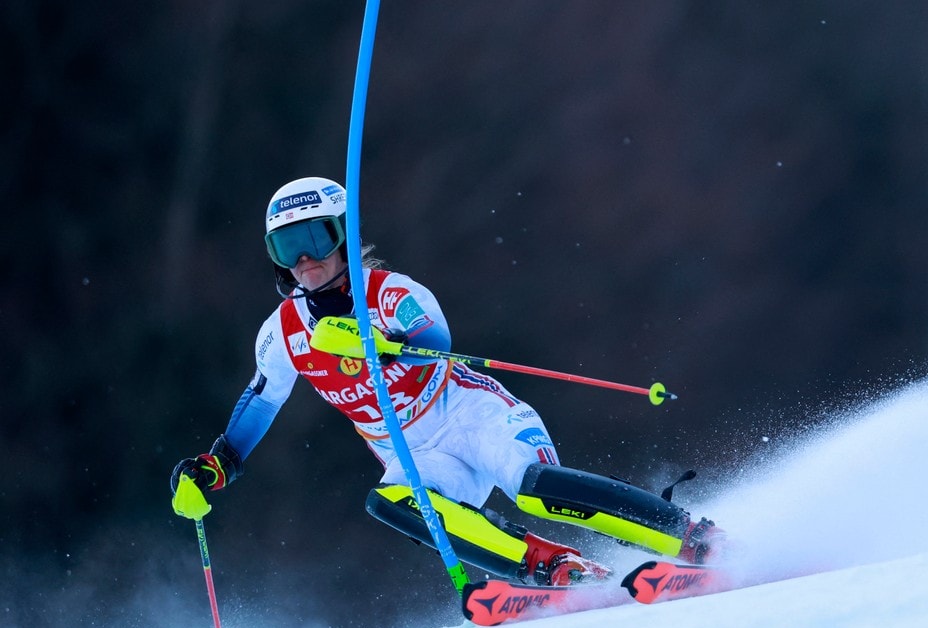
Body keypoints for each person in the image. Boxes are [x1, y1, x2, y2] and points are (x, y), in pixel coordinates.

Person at [170, 176, 724, 586]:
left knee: (535, 490)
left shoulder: (390, 292)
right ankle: (548, 565)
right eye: (289, 247)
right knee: (388, 502)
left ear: (344, 235)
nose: (307, 259)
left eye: (317, 238)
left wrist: (380, 349)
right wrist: (219, 464)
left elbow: (435, 340)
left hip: (470, 414)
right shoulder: (282, 333)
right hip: (413, 452)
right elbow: (262, 401)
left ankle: (689, 536)